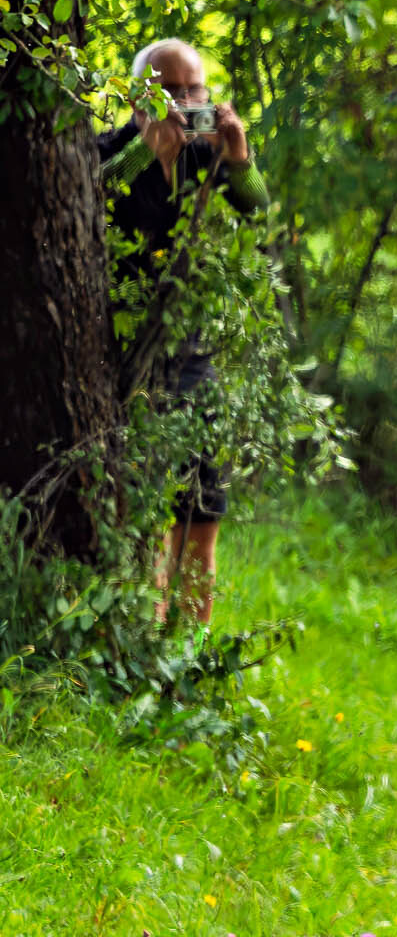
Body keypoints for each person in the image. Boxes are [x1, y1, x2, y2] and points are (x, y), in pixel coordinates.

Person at [96, 38, 270, 625]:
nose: (185, 102)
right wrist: (144, 153)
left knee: (200, 519)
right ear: (138, 96)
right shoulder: (110, 150)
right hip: (122, 359)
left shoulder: (205, 156)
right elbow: (94, 194)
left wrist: (239, 159)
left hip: (193, 357)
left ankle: (191, 657)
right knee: (142, 519)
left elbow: (258, 209)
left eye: (196, 90)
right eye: (171, 91)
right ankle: (143, 651)